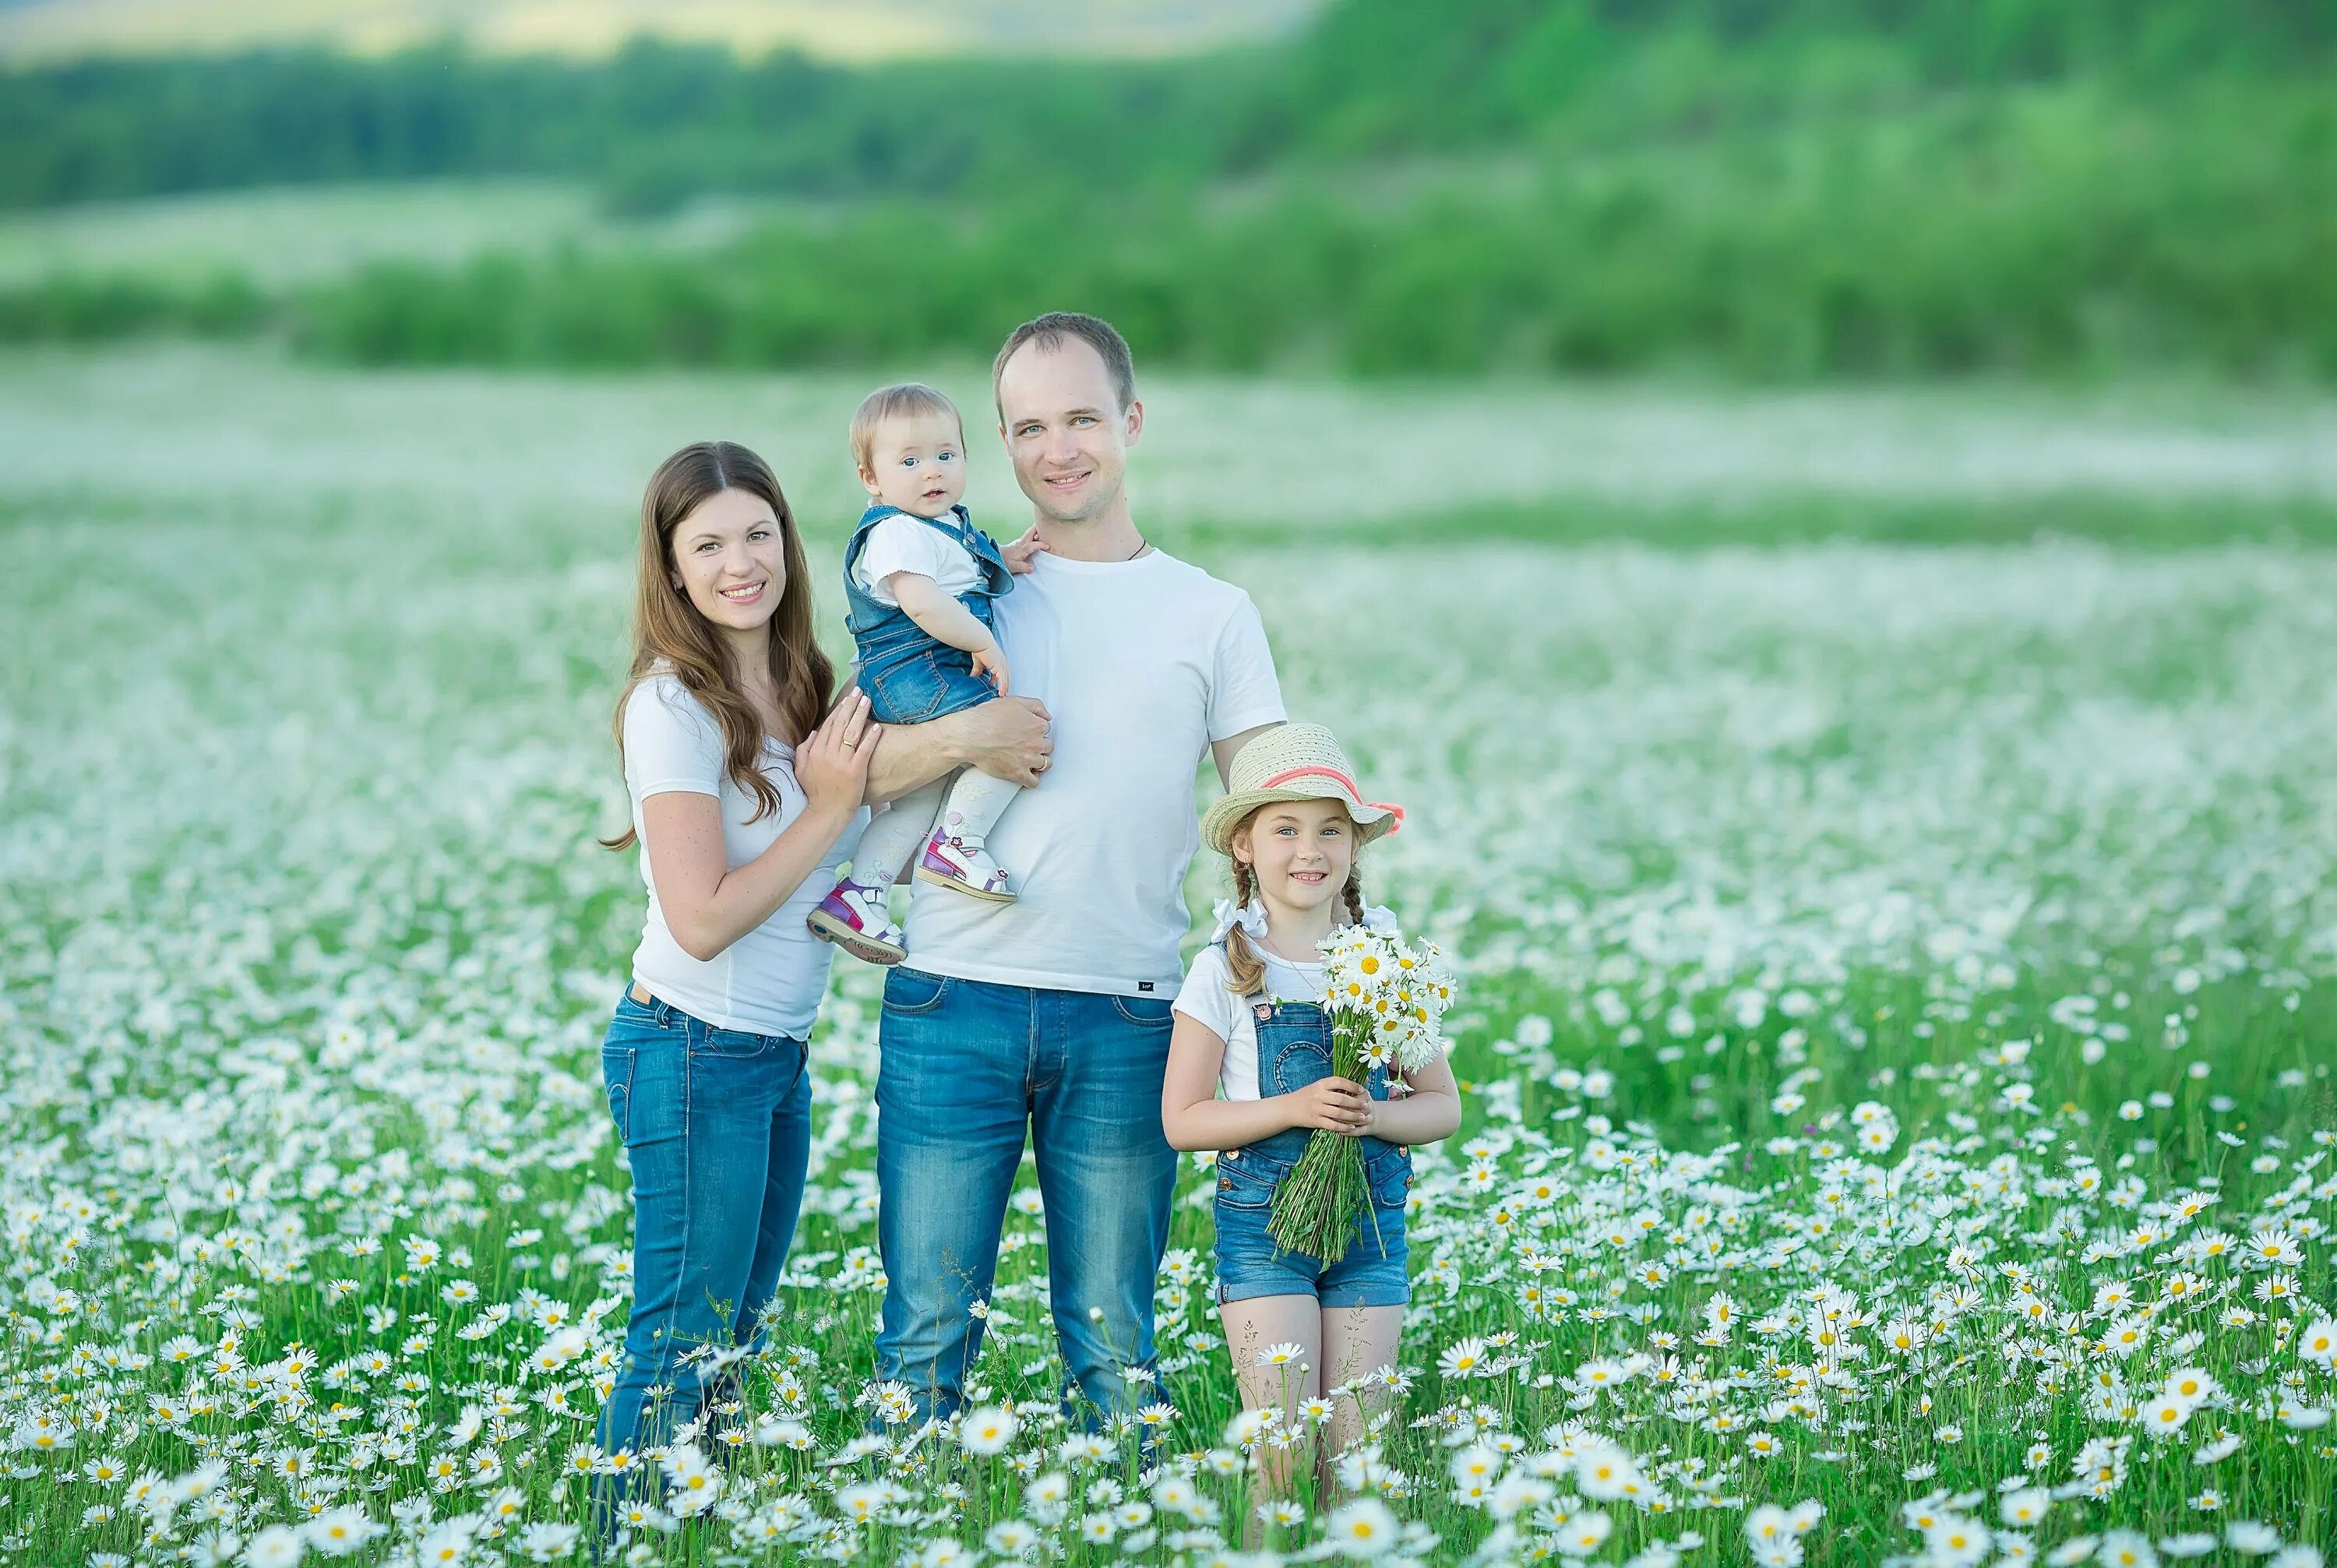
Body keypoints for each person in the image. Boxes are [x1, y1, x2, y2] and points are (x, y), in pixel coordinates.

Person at [872, 312, 1286, 1436]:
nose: (1059, 449)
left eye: (1083, 420)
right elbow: (859, 772)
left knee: (1114, 1342)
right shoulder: (956, 591)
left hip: (1131, 1012)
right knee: (922, 1340)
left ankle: (1128, 1529)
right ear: (1001, 445)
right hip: (952, 997)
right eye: (1029, 427)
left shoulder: (1213, 612)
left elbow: (1272, 815)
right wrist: (973, 739)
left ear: (1132, 423)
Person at [592, 440, 880, 1517]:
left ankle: (690, 1530)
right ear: (671, 568)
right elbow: (704, 917)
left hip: (770, 1053)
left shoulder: (802, 684)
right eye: (706, 544)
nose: (740, 562)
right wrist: (823, 811)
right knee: (679, 1333)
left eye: (758, 532)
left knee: (731, 1335)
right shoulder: (671, 706)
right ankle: (618, 1538)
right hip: (689, 1045)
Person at [1162, 724, 1461, 1510]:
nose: (1311, 850)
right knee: (1285, 1462)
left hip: (1370, 1236)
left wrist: (1371, 1119)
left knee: (1356, 1465)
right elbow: (1184, 1120)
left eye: (1332, 830)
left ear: (1354, 849)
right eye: (1285, 829)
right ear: (1244, 848)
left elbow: (1441, 1106)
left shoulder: (1383, 960)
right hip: (1266, 1239)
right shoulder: (1225, 967)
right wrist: (1293, 1108)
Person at [807, 382, 1047, 967]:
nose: (931, 471)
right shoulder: (892, 531)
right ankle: (959, 842)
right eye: (909, 461)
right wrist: (983, 640)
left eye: (946, 455)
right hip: (913, 670)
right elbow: (923, 603)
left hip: (917, 674)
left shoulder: (941, 524)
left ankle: (859, 896)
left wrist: (1006, 556)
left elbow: (963, 562)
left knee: (921, 795)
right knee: (1015, 734)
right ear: (872, 479)